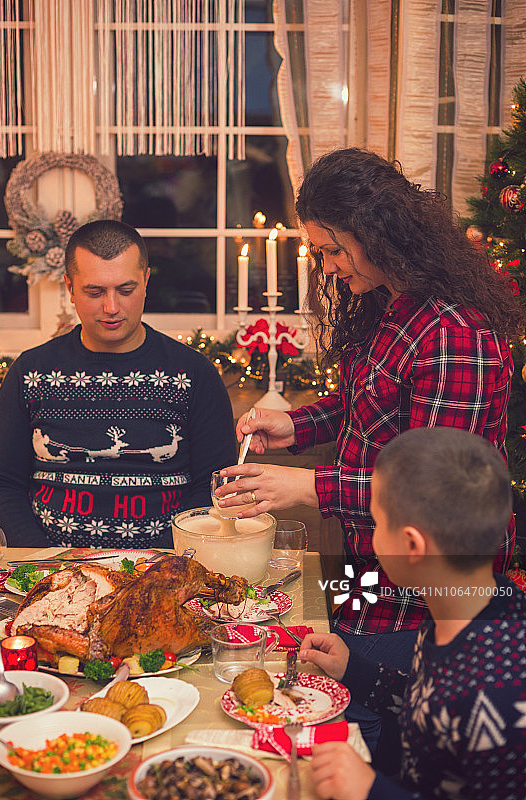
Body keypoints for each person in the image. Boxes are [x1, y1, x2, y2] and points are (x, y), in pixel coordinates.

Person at [215, 146, 522, 646]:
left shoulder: (452, 338)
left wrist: (307, 487)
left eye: (335, 250)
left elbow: (433, 495)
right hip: (372, 577)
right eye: (320, 252)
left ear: (381, 234)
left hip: (426, 600)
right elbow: (371, 402)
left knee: (372, 712)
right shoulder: (391, 302)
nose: (329, 267)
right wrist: (296, 425)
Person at [300, 426, 526, 800]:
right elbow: (430, 707)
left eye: (377, 523)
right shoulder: (467, 603)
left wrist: (372, 790)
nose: (372, 538)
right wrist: (353, 669)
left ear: (410, 545)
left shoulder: (499, 696)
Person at [0, 219, 236, 549]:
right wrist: (45, 561)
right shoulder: (30, 372)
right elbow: (3, 483)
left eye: (126, 290)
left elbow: (213, 487)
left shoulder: (194, 374)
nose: (112, 307)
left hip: (164, 568)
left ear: (146, 282)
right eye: (95, 291)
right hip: (51, 569)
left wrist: (159, 561)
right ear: (70, 288)